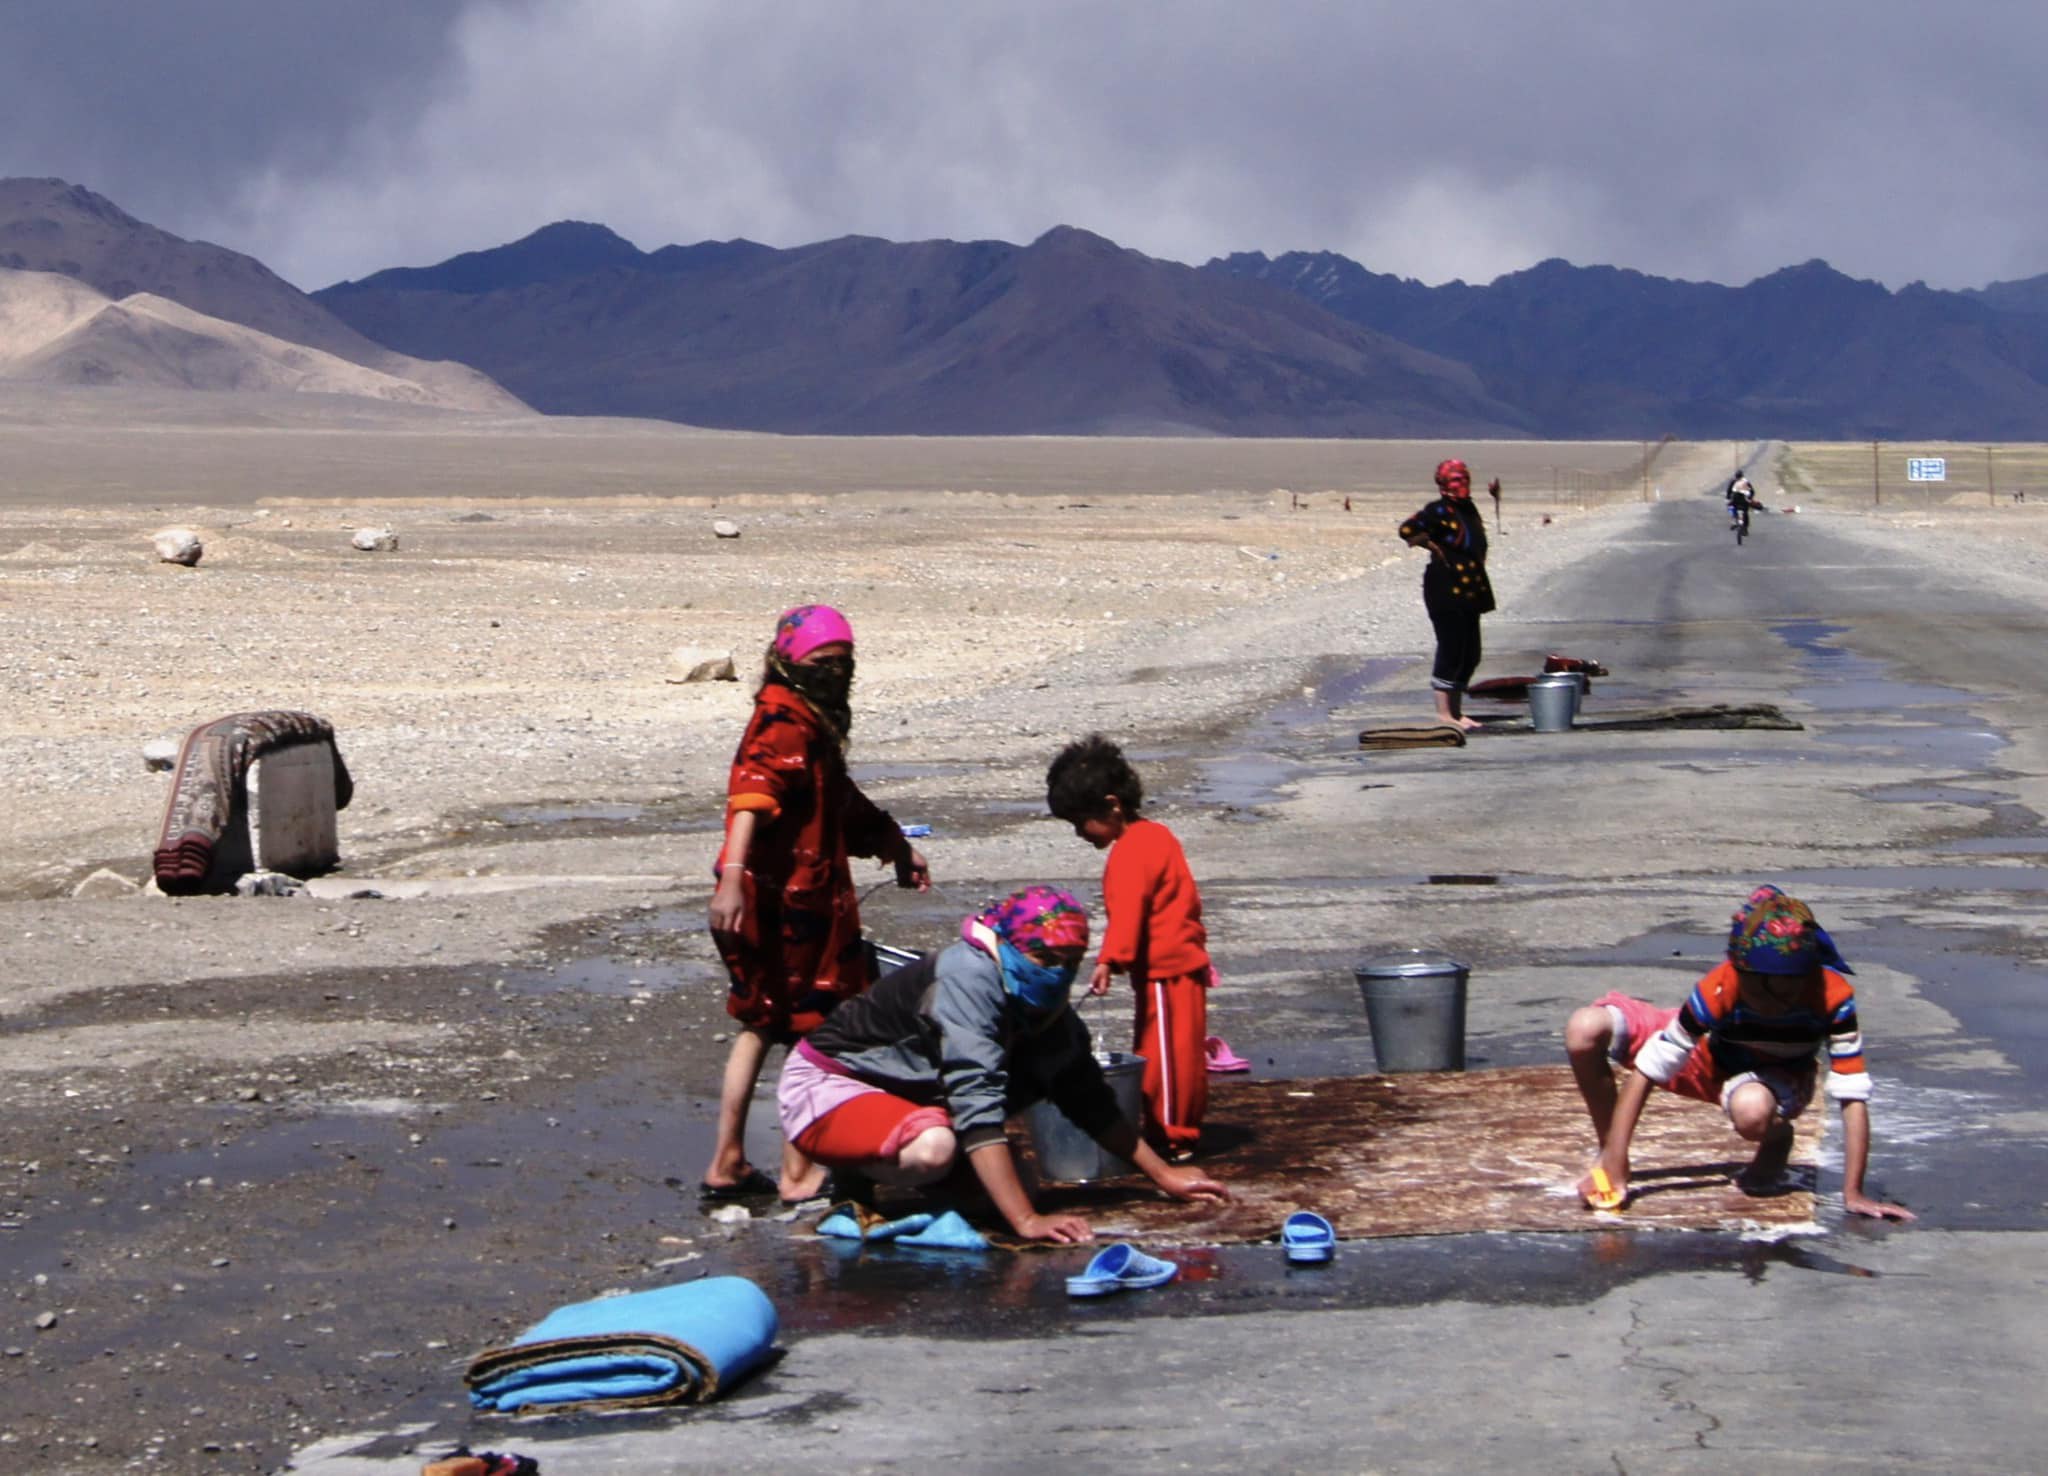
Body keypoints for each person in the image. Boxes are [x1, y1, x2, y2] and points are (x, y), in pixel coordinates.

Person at [777, 886, 1229, 1243]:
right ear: (1009, 947)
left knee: (1018, 1182)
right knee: (934, 1150)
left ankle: (889, 1155)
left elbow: (1087, 1097)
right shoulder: (968, 979)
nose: (1057, 974)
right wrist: (1025, 1221)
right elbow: (976, 1100)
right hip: (830, 1086)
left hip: (909, 1095)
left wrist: (1164, 1176)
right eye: (1044, 959)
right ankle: (851, 1170)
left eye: (1069, 964)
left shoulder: (1043, 1005)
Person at [704, 604, 930, 1204]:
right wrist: (731, 876)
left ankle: (727, 1160)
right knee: (817, 1027)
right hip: (785, 907)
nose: (835, 673)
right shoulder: (782, 720)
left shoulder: (808, 717)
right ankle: (800, 1171)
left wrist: (893, 845)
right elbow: (750, 798)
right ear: (788, 659)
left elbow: (840, 801)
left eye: (844, 664)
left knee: (762, 1020)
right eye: (824, 662)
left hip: (788, 896)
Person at [1564, 884, 1915, 1220]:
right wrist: (1616, 1157)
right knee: (1585, 1029)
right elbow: (1650, 1070)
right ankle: (1609, 1155)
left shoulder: (1832, 997)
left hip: (1774, 1079)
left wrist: (1853, 1193)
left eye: (1786, 990)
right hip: (1707, 1059)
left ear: (1805, 976)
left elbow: (1852, 1095)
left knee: (1752, 1108)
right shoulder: (1723, 983)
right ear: (1740, 972)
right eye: (1756, 989)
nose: (1768, 1001)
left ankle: (1777, 1137)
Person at [1045, 735, 1213, 1160]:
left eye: (1082, 821)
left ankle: (1172, 1137)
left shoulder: (1131, 853)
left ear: (1111, 805)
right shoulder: (1158, 835)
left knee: (1166, 1056)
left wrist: (1108, 961)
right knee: (1173, 1050)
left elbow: (1128, 916)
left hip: (1166, 968)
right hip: (1179, 962)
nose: (1081, 833)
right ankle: (1171, 1128)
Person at [1398, 458, 1495, 730]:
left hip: (1471, 589)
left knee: (1471, 652)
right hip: (1445, 587)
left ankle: (1457, 710)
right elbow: (1407, 529)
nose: (1461, 484)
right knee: (1451, 648)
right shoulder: (1438, 510)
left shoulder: (1468, 507)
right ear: (1443, 484)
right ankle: (1443, 714)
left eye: (1464, 479)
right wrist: (1431, 546)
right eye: (1455, 480)